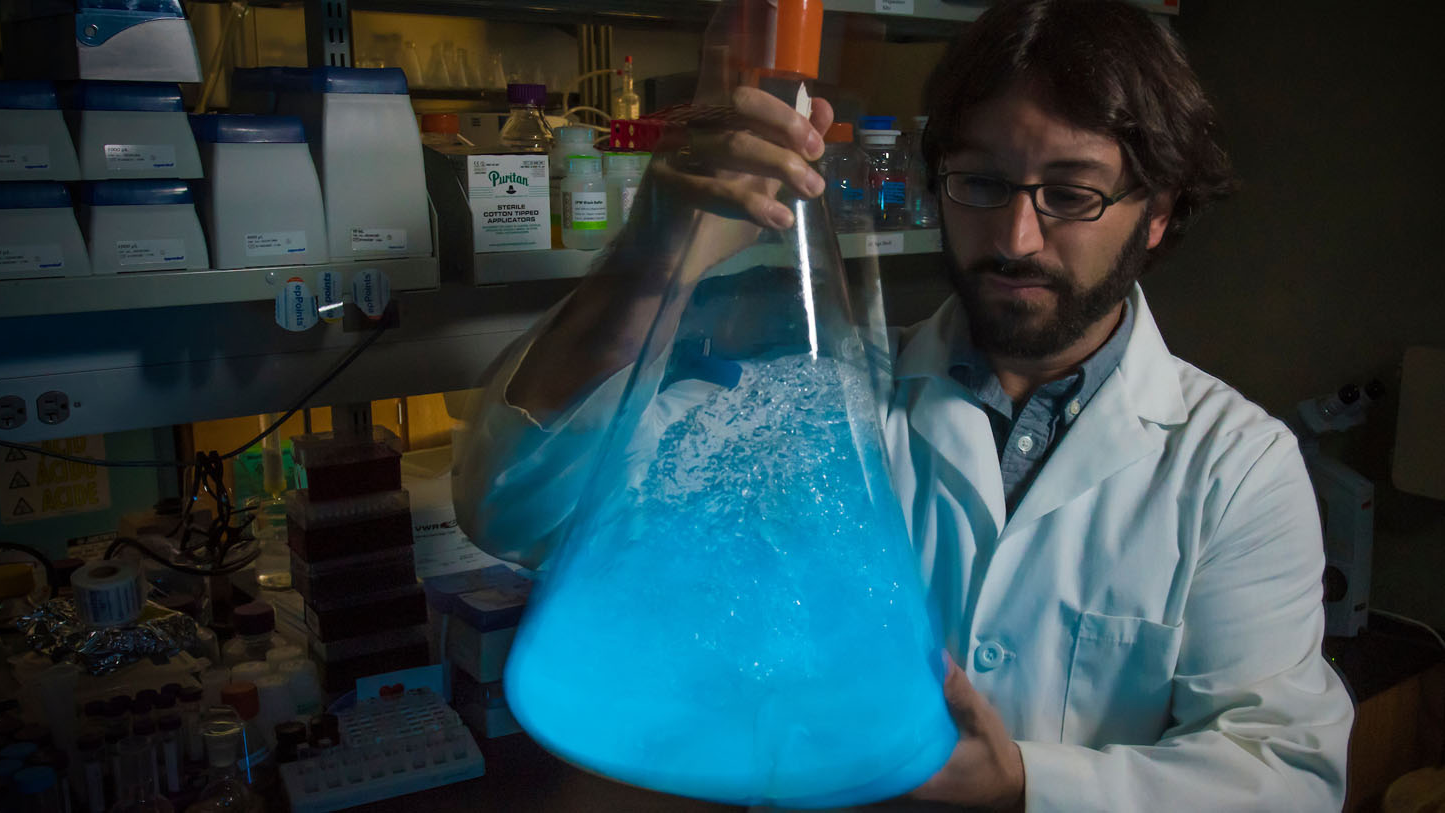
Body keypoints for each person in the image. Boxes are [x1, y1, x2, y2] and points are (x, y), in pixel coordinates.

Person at [454, 0, 1354, 809]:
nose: (1015, 236)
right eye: (982, 182)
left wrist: (1028, 785)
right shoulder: (816, 408)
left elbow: (1284, 774)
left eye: (1072, 193)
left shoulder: (1235, 466)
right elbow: (513, 510)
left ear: (1157, 212)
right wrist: (649, 262)